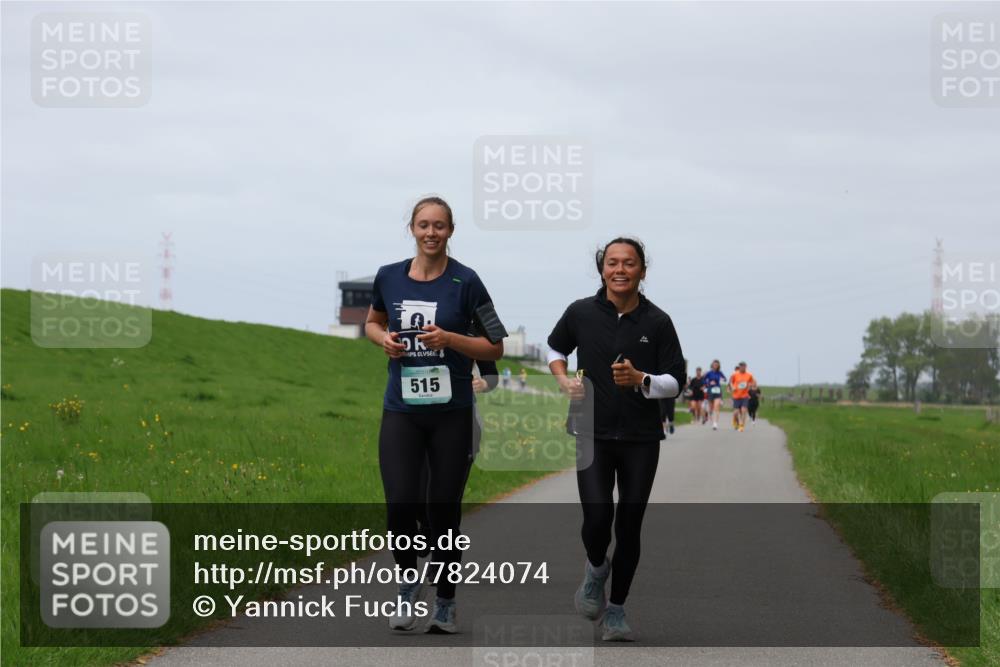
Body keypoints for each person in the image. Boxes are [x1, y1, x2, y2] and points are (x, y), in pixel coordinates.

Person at [365, 196, 505, 633]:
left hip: (452, 415)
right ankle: (408, 584)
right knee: (399, 506)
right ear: (412, 228)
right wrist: (383, 340)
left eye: (439, 226)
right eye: (424, 225)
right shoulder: (388, 276)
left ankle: (445, 601)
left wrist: (451, 340)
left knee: (443, 512)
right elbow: (372, 322)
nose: (431, 233)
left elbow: (495, 347)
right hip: (402, 411)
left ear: (450, 231)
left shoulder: (468, 282)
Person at [547, 237, 685, 641]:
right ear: (602, 268)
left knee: (628, 525)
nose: (619, 270)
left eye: (628, 263)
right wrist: (562, 379)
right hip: (591, 430)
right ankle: (595, 569)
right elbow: (555, 348)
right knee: (596, 518)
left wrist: (641, 379)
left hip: (641, 438)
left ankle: (617, 611)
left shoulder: (657, 322)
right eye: (612, 262)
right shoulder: (581, 312)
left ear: (642, 270)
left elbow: (676, 381)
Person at [730, 361, 757, 432]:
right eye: (741, 366)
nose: (742, 367)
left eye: (743, 366)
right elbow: (730, 382)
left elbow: (753, 382)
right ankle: (735, 421)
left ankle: (741, 425)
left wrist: (750, 385)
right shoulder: (735, 374)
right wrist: (732, 387)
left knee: (743, 410)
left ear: (746, 367)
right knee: (736, 412)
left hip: (744, 396)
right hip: (736, 396)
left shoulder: (749, 375)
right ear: (739, 367)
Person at [702, 360, 726, 430]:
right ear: (712, 365)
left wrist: (722, 379)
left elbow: (725, 379)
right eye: (714, 365)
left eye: (717, 365)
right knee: (711, 409)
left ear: (718, 366)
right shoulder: (709, 373)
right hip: (710, 391)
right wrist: (708, 384)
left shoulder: (720, 372)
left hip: (717, 390)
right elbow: (703, 380)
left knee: (716, 407)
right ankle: (711, 420)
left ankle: (715, 423)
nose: (715, 366)